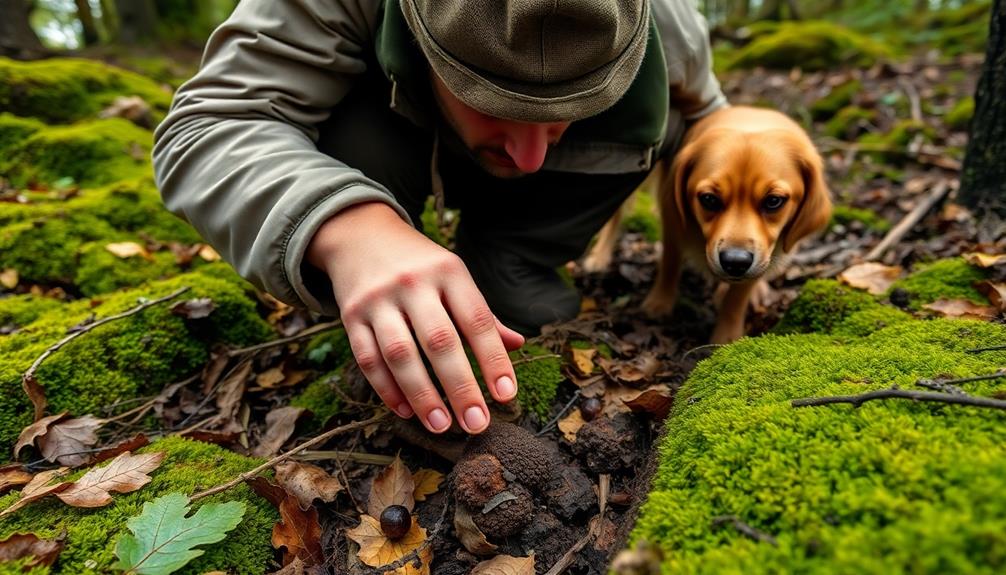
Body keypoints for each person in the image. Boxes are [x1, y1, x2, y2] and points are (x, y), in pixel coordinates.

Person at [153, 0, 727, 436]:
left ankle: (512, 253)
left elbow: (721, 127)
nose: (533, 155)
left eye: (572, 109)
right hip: (394, 143)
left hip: (552, 204)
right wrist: (350, 229)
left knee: (528, 306)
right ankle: (384, 261)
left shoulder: (669, 22)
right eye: (489, 98)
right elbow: (209, 125)